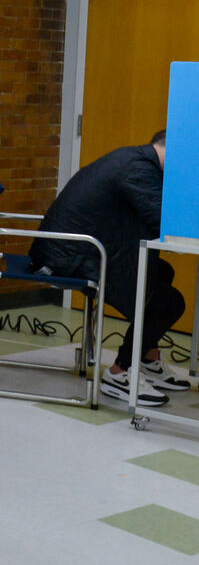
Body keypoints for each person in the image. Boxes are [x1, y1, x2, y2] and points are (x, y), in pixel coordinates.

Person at [30, 130, 185, 407]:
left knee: (163, 272)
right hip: (69, 258)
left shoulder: (134, 160)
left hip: (75, 250)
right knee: (169, 302)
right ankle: (119, 372)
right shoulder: (138, 169)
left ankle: (147, 358)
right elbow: (161, 219)